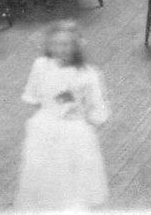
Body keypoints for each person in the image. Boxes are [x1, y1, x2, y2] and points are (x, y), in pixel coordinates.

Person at [15, 21, 110, 211]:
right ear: (49, 45)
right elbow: (33, 97)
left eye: (67, 44)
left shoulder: (88, 74)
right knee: (44, 179)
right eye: (56, 44)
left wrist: (82, 119)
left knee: (73, 183)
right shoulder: (41, 65)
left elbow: (98, 109)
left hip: (75, 132)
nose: (61, 49)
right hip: (44, 130)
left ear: (76, 46)